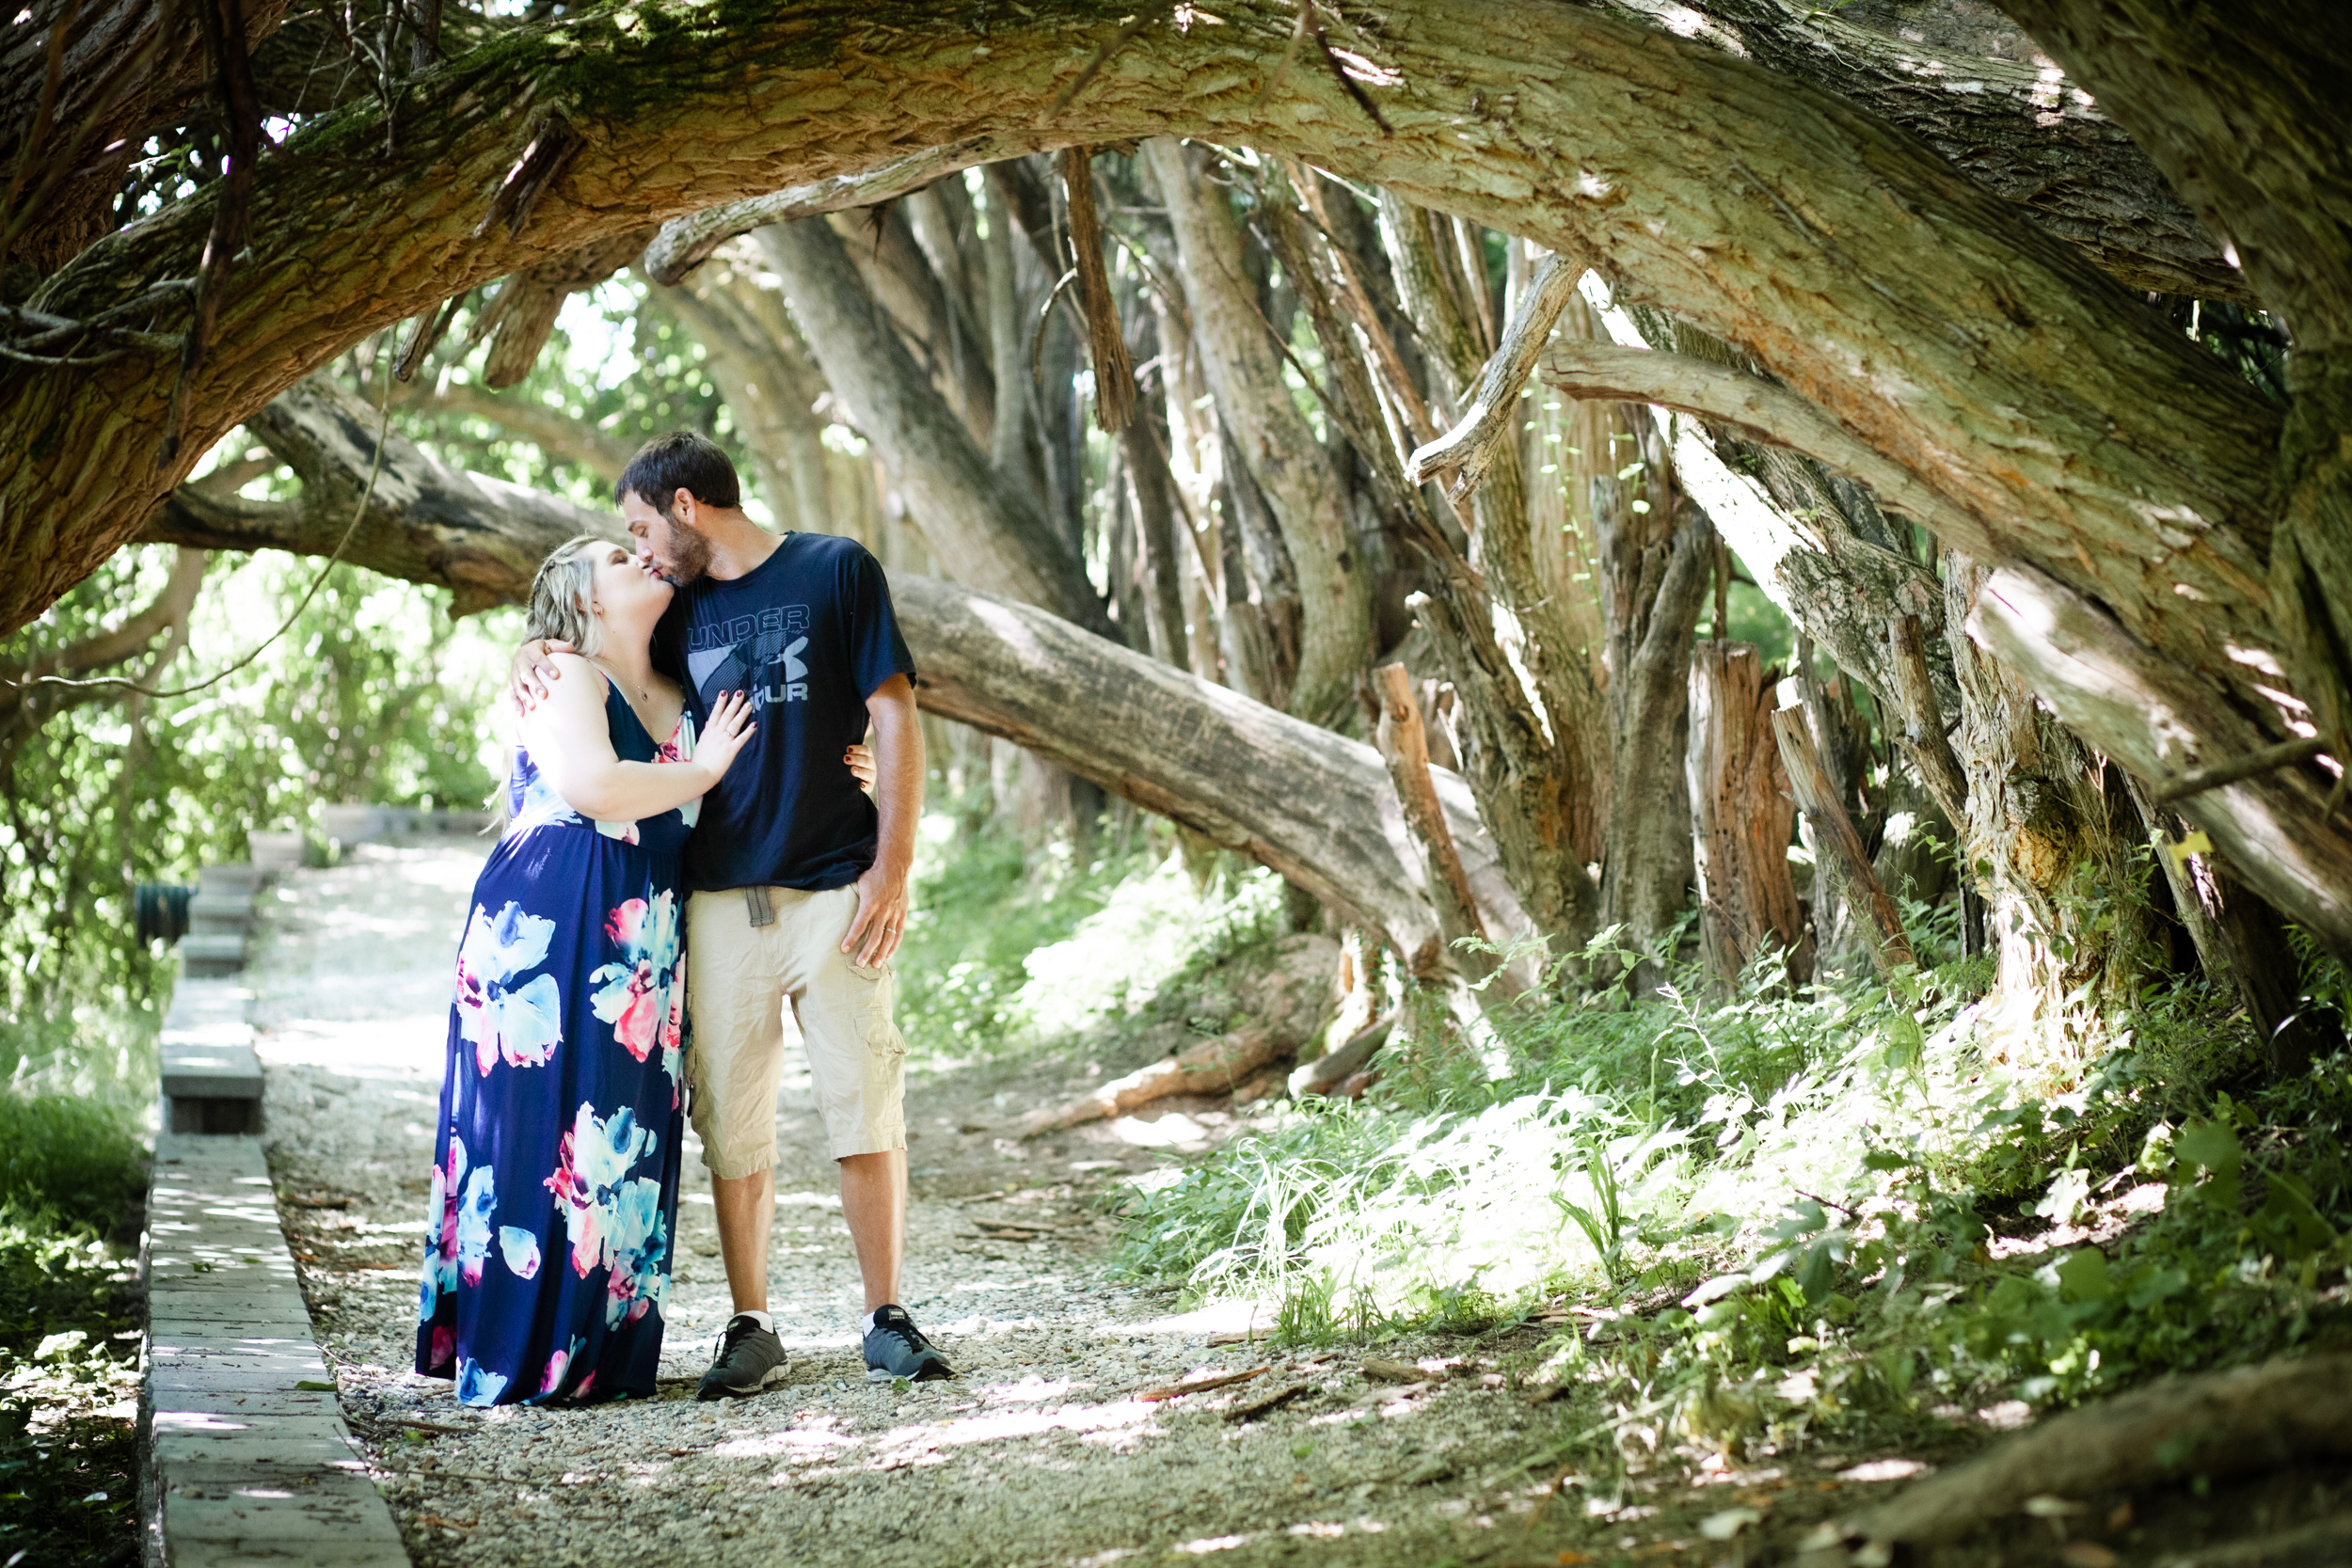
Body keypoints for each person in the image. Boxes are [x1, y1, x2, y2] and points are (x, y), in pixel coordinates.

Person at [513, 431, 951, 1399]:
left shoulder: (836, 568)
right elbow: (601, 653)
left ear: (682, 505)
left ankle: (885, 1313)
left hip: (836, 884)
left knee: (863, 1101)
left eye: (639, 525)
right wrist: (536, 647)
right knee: (732, 1120)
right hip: (713, 900)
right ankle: (751, 1323)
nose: (639, 551)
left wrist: (893, 864)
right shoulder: (674, 609)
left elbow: (893, 710)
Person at [417, 536, 755, 1406]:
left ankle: (598, 1352)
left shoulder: (689, 696)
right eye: (615, 555)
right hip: (548, 921)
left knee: (615, 1133)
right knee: (540, 1130)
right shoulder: (563, 674)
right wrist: (705, 768)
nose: (641, 555)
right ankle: (520, 1351)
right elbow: (593, 783)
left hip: (642, 935)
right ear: (586, 597)